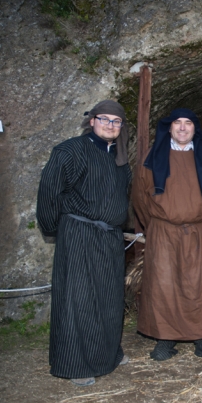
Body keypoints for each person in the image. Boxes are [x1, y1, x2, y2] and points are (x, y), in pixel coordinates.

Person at [36, 100, 131, 387]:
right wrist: (59, 229)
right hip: (79, 234)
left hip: (110, 237)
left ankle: (108, 354)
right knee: (78, 300)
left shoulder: (119, 158)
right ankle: (75, 365)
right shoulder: (70, 150)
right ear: (91, 120)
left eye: (117, 121)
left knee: (110, 299)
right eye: (105, 119)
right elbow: (49, 195)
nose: (110, 125)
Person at [132, 108, 202, 362]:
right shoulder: (151, 159)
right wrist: (157, 226)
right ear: (169, 128)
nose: (183, 128)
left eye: (188, 123)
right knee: (164, 285)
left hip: (198, 231)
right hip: (163, 232)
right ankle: (165, 338)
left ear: (195, 129)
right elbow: (140, 198)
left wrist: (195, 218)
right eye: (178, 123)